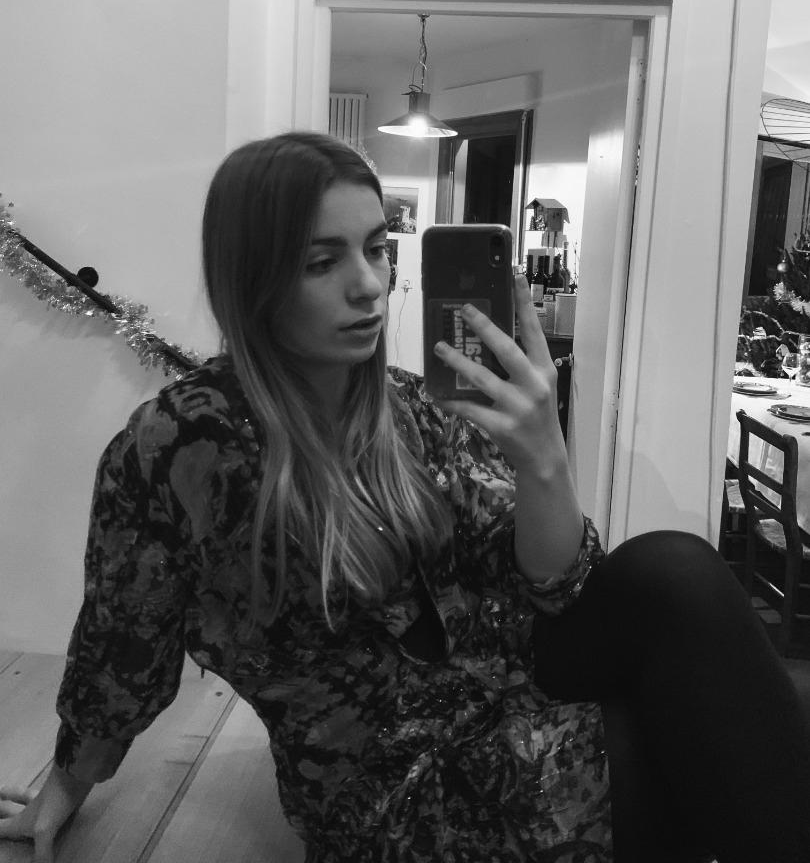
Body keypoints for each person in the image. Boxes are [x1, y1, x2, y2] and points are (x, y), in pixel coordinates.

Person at [1, 131, 809, 863]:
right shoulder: (181, 447)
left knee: (673, 569)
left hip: (513, 681)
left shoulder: (412, 406)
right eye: (322, 262)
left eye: (377, 250)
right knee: (692, 743)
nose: (369, 286)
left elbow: (557, 588)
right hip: (396, 781)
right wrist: (65, 787)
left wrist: (544, 459)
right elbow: (124, 641)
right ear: (253, 278)